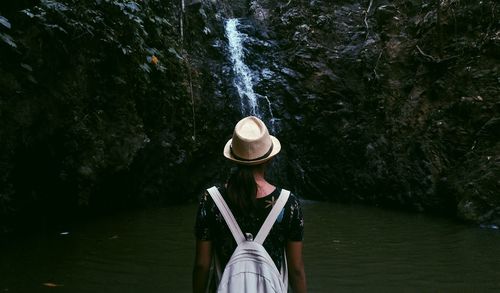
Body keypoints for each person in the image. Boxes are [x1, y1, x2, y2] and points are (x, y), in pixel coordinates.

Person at [192, 116, 307, 293]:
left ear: (232, 158)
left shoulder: (211, 200)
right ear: (269, 159)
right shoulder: (289, 203)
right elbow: (296, 270)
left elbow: (202, 265)